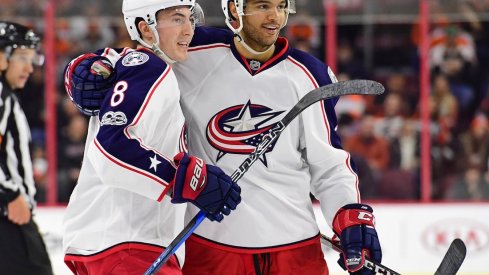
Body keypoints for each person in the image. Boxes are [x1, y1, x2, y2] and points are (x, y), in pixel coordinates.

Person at [67, 0, 383, 274]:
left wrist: (350, 216)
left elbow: (329, 166)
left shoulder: (311, 74)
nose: (274, 17)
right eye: (261, 6)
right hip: (210, 248)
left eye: (281, 6)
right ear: (234, 8)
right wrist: (89, 66)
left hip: (295, 248)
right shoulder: (192, 52)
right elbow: (139, 51)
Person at [61, 1, 241, 274]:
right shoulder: (150, 68)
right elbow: (111, 149)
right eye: (177, 19)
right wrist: (186, 181)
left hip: (112, 245)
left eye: (190, 19)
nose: (188, 30)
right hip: (129, 247)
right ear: (145, 29)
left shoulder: (133, 67)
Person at [0, 21, 53, 275]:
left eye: (32, 59)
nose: (29, 68)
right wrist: (9, 195)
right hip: (9, 217)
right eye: (22, 57)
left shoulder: (7, 94)